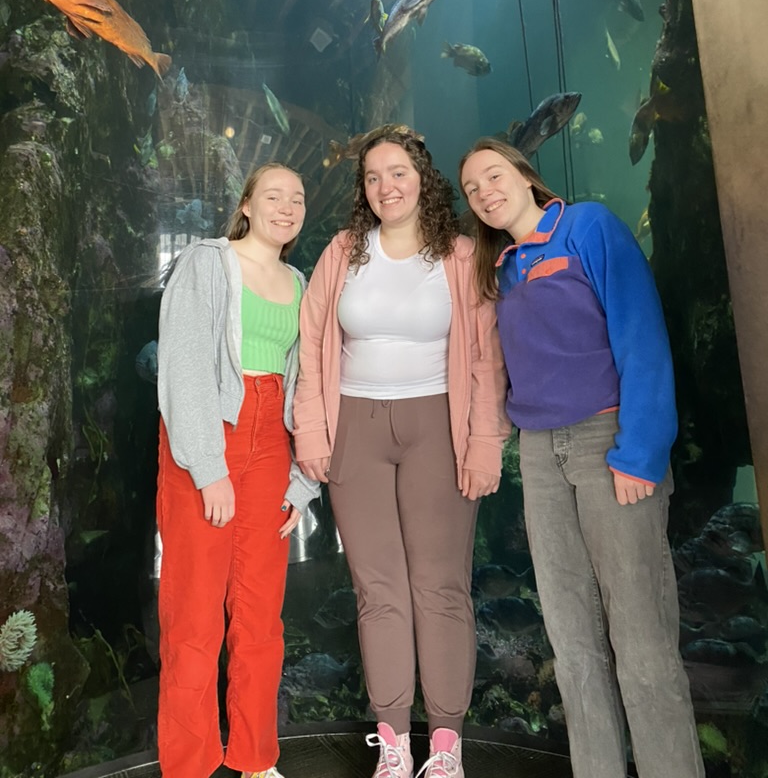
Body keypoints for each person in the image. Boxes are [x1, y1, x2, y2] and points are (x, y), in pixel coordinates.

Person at [459, 137, 705, 778]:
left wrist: (642, 452)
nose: (486, 192)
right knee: (571, 646)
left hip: (608, 443)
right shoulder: (504, 270)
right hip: (540, 460)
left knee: (643, 644)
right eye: (472, 189)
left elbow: (641, 332)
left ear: (524, 173)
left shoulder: (588, 226)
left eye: (493, 175)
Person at [292, 125, 509, 778]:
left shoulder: (462, 255)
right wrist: (311, 433)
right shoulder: (341, 251)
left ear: (423, 177)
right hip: (355, 429)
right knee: (377, 591)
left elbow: (484, 362)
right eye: (372, 177)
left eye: (397, 173)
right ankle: (392, 744)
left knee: (439, 588)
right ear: (364, 191)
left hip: (438, 430)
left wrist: (484, 444)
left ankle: (444, 748)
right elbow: (309, 345)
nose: (385, 186)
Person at [156, 163, 320, 778]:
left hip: (272, 445)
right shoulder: (208, 262)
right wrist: (207, 467)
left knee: (259, 616)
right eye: (273, 195)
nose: (287, 207)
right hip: (210, 437)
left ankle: (254, 758)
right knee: (195, 617)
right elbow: (185, 365)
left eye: (297, 199)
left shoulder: (300, 281)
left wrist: (303, 481)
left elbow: (306, 385)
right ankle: (190, 765)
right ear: (246, 205)